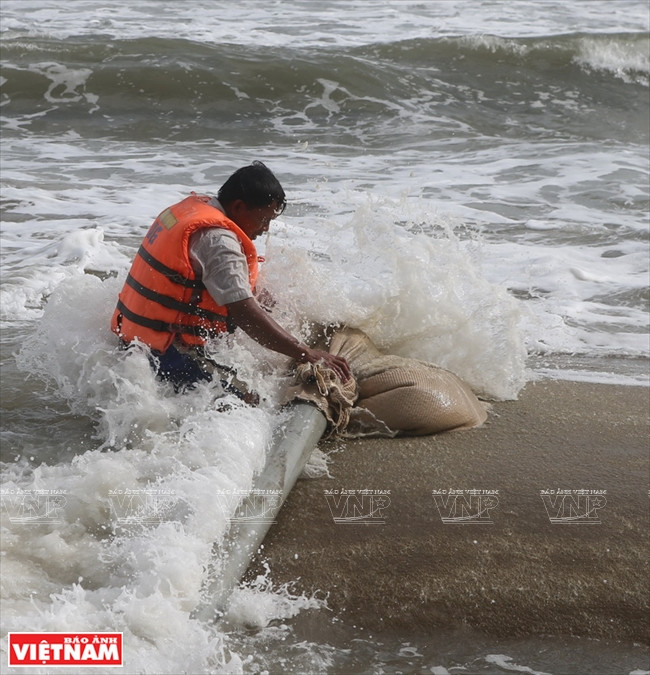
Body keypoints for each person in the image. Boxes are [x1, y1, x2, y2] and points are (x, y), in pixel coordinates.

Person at [111, 161, 351, 398]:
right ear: (238, 207)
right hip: (163, 353)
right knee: (251, 399)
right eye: (264, 219)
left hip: (135, 341)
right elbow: (244, 313)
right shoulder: (219, 242)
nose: (265, 229)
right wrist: (304, 352)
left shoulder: (194, 210)